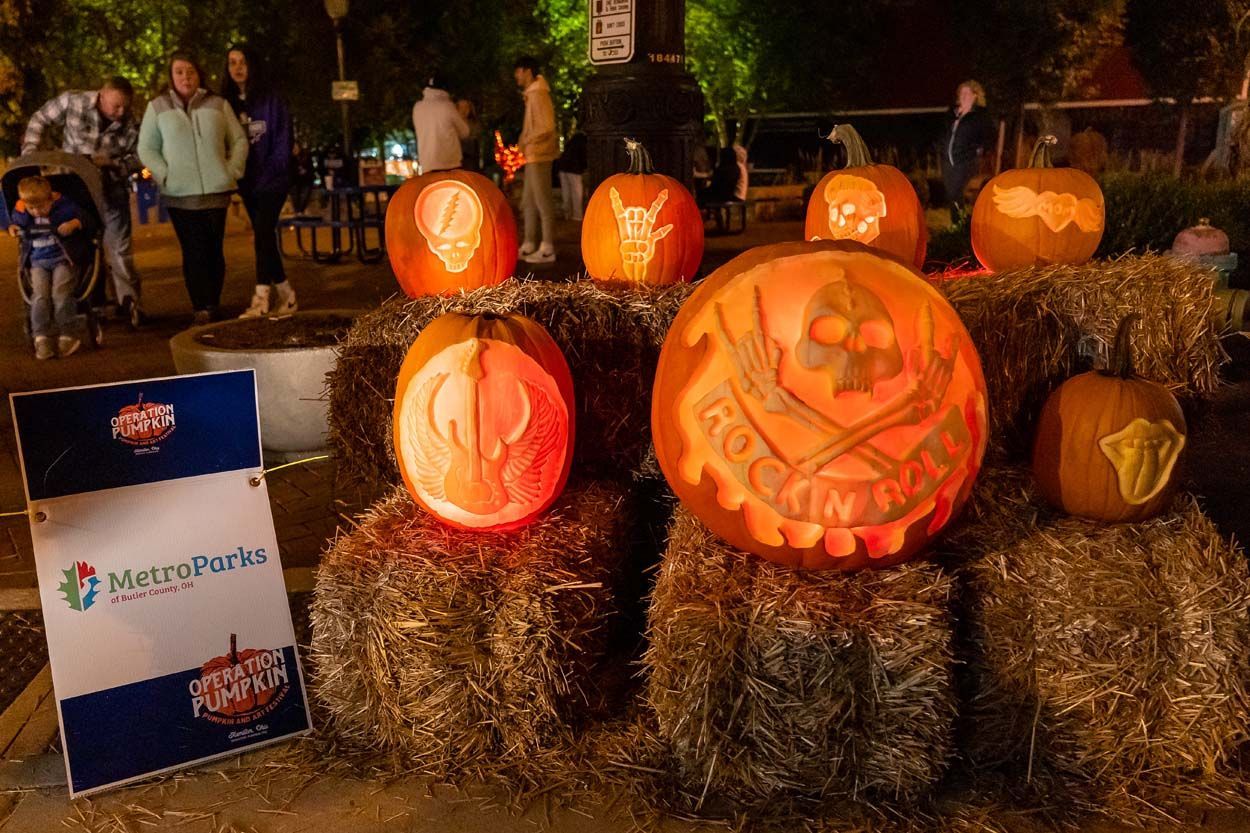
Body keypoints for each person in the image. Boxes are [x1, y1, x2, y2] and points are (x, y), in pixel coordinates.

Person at [22, 76, 145, 327]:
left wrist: (112, 162)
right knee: (80, 242)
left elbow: (138, 157)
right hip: (74, 187)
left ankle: (129, 302)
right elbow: (40, 118)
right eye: (115, 106)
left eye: (124, 106)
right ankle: (80, 299)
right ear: (101, 96)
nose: (120, 113)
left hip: (110, 188)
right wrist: (31, 151)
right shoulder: (74, 101)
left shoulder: (130, 122)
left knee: (119, 248)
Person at [138, 53, 248, 324]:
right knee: (193, 250)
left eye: (190, 71)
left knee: (214, 250)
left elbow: (239, 140)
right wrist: (165, 174)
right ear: (171, 77)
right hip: (179, 194)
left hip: (216, 191)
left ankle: (213, 302)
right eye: (179, 72)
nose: (185, 77)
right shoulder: (157, 107)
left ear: (199, 74)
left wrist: (231, 170)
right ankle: (201, 306)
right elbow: (146, 148)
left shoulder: (218, 104)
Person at [222, 45, 298, 319]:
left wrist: (276, 169)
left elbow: (282, 137)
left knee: (263, 233)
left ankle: (260, 297)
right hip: (247, 180)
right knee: (264, 237)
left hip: (273, 179)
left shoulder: (271, 98)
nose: (237, 67)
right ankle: (287, 295)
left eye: (242, 61)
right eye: (232, 62)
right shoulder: (227, 102)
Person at [7, 176, 85, 359]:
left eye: (41, 207)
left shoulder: (65, 208)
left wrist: (73, 224)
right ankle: (41, 337)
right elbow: (15, 223)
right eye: (31, 208)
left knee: (61, 293)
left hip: (63, 258)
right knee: (40, 296)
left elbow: (83, 218)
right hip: (37, 261)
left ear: (51, 199)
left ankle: (68, 334)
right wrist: (13, 228)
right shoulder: (22, 212)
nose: (36, 212)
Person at [513, 56, 559, 264]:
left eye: (518, 71)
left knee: (542, 200)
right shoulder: (533, 94)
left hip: (539, 153)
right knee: (529, 202)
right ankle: (529, 243)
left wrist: (527, 139)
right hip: (533, 154)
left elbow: (546, 126)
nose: (516, 76)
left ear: (527, 71)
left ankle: (547, 247)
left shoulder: (538, 94)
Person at [941, 80, 995, 213]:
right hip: (947, 161)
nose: (963, 96)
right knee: (951, 195)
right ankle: (956, 225)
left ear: (975, 96)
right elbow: (943, 132)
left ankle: (965, 223)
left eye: (967, 92)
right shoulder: (952, 113)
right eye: (961, 93)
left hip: (966, 160)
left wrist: (980, 149)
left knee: (958, 192)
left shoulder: (980, 115)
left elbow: (990, 135)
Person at [411, 74, 469, 174]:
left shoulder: (417, 107)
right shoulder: (447, 106)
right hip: (449, 164)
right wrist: (462, 114)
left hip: (427, 164)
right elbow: (464, 132)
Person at [557, 130, 586, 221]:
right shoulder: (584, 141)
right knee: (576, 193)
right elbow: (583, 156)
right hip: (574, 169)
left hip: (563, 167)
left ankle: (567, 214)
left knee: (566, 192)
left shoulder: (572, 140)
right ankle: (577, 215)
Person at [457, 98, 482, 172]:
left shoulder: (474, 124)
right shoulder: (453, 125)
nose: (464, 110)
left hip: (470, 159)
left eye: (466, 107)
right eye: (461, 107)